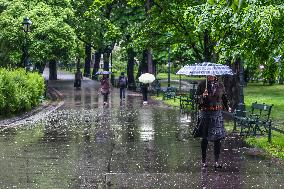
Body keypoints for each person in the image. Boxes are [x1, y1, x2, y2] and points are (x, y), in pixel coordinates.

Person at [195, 75, 231, 170]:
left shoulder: (220, 85)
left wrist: (228, 107)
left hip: (216, 114)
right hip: (205, 114)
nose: (211, 76)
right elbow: (195, 99)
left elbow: (224, 97)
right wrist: (203, 96)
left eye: (213, 74)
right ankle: (204, 161)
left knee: (218, 138)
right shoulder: (202, 84)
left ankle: (216, 161)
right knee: (205, 138)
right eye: (209, 74)